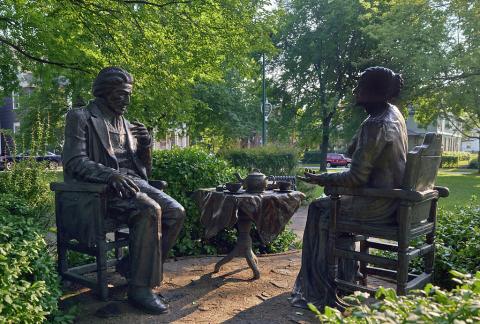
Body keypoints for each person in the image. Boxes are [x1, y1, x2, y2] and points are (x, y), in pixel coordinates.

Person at [62, 67, 185, 314]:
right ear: (104, 93)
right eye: (121, 95)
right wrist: (110, 175)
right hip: (102, 193)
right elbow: (74, 161)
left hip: (133, 186)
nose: (127, 100)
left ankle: (131, 267)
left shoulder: (127, 124)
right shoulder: (81, 117)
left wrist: (146, 145)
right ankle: (140, 289)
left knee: (177, 212)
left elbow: (142, 171)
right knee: (150, 210)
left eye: (129, 95)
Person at [291, 67, 407, 310]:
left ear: (374, 91)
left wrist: (323, 179)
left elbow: (356, 177)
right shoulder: (391, 114)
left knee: (319, 210)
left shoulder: (375, 124)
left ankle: (323, 289)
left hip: (378, 204)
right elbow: (353, 152)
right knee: (327, 208)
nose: (355, 91)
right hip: (396, 201)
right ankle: (344, 278)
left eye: (360, 86)